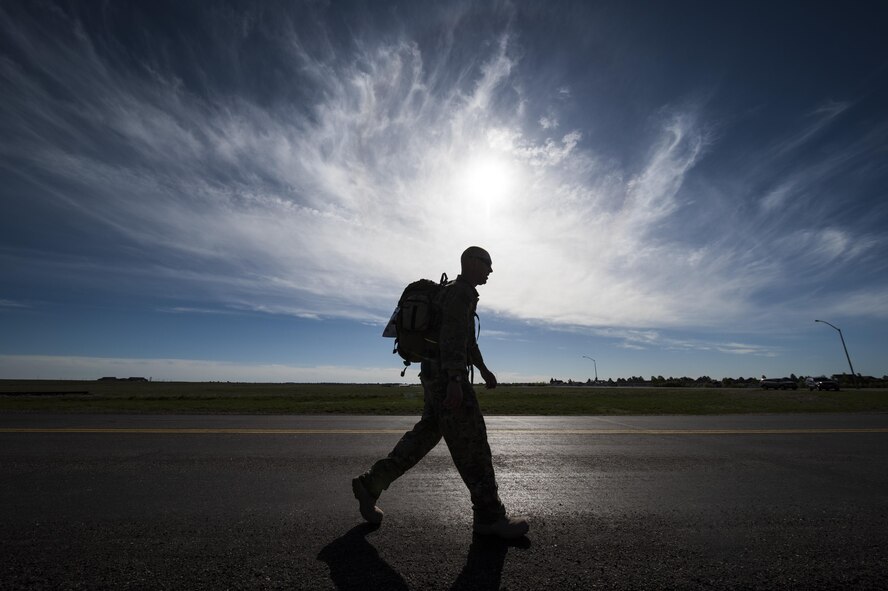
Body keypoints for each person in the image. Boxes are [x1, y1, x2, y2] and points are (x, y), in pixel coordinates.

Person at [352, 246, 529, 539]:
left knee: (424, 436)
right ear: (472, 262)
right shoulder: (459, 293)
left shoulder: (454, 293)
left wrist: (483, 369)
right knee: (473, 443)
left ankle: (371, 484)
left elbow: (467, 340)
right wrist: (457, 379)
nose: (490, 270)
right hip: (448, 377)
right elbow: (451, 338)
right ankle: (489, 517)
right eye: (487, 264)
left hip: (434, 373)